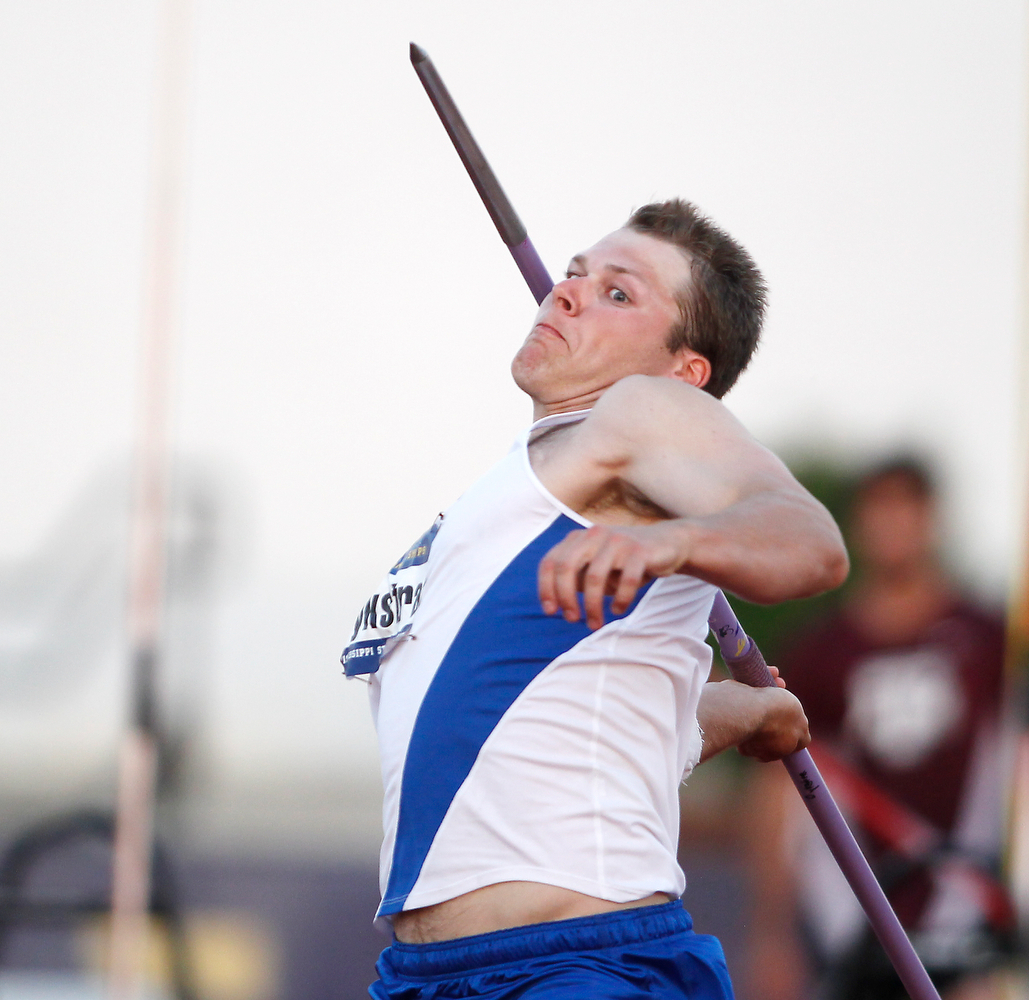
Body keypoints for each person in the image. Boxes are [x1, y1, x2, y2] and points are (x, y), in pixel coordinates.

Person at [341, 199, 849, 1000]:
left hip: (574, 968)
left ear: (685, 371)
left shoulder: (640, 410)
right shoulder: (518, 482)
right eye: (575, 273)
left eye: (620, 293)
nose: (567, 294)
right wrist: (747, 713)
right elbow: (586, 727)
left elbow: (809, 541)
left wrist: (671, 542)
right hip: (425, 978)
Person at [743, 460, 1005, 1000]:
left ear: (932, 520)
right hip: (850, 915)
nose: (894, 527)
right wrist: (772, 932)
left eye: (906, 509)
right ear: (857, 526)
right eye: (880, 511)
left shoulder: (988, 640)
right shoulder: (821, 652)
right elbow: (776, 791)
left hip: (968, 907)